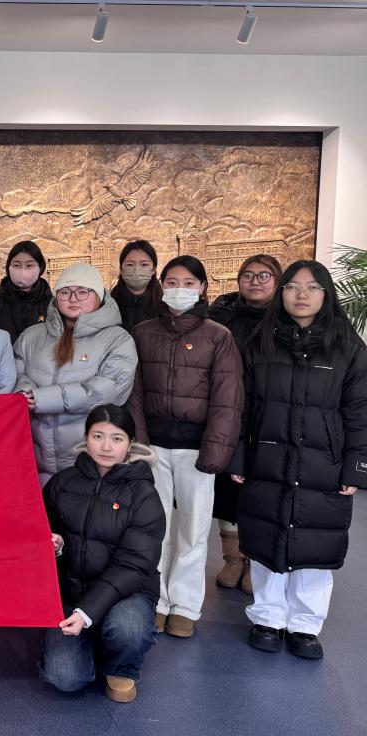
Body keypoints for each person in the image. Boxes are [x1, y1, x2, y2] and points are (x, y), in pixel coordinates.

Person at [231, 260, 366, 660]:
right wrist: (238, 456)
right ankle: (267, 618)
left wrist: (356, 466)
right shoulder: (260, 342)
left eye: (312, 287)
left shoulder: (349, 348)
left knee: (315, 544)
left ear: (326, 294)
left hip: (324, 465)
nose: (301, 295)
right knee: (267, 537)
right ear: (282, 293)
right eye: (292, 286)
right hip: (267, 460)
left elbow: (360, 411)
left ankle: (305, 626)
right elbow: (241, 406)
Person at [127, 255, 243, 639]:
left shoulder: (218, 336)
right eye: (172, 282)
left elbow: (227, 400)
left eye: (189, 283)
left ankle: (186, 605)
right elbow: (134, 394)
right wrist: (138, 445)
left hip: (197, 449)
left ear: (202, 288)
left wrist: (216, 451)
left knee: (193, 530)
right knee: (153, 527)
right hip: (154, 447)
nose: (180, 290)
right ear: (162, 286)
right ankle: (156, 600)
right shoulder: (143, 332)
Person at [39, 404, 165, 703]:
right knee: (65, 678)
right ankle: (92, 639)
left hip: (127, 594)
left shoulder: (144, 495)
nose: (106, 447)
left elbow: (134, 565)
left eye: (117, 438)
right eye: (98, 436)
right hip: (72, 592)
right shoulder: (63, 482)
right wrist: (56, 547)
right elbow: (42, 533)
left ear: (130, 444)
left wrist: (87, 613)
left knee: (127, 628)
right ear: (86, 438)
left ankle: (122, 666)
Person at [13, 263, 137, 485]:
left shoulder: (118, 339)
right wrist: (23, 393)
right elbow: (15, 373)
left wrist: (41, 399)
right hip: (34, 459)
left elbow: (109, 390)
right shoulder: (31, 336)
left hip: (87, 464)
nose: (73, 299)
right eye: (65, 292)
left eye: (83, 291)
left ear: (98, 295)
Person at [207, 254, 282, 593]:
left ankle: (255, 560)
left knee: (261, 489)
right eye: (248, 275)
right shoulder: (222, 315)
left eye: (264, 275)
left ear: (277, 280)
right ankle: (233, 558)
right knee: (227, 489)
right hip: (229, 411)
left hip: (271, 414)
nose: (255, 281)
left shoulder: (287, 318)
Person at [0, 241, 53, 343]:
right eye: (16, 265)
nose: (22, 271)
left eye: (29, 265)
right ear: (8, 267)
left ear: (40, 267)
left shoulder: (52, 305)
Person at [110, 240, 163, 333]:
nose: (136, 270)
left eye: (144, 264)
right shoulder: (108, 305)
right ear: (121, 269)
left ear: (153, 269)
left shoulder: (166, 307)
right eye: (130, 265)